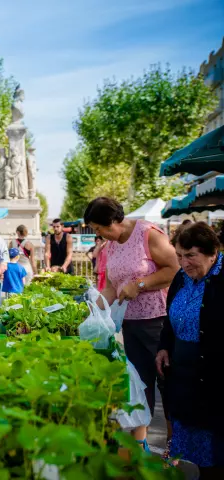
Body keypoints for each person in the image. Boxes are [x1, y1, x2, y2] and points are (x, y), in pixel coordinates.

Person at [84, 197, 178, 452]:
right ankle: (140, 445)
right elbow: (113, 286)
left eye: (99, 228)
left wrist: (140, 285)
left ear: (114, 220)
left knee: (166, 383)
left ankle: (174, 446)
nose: (99, 234)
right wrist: (91, 310)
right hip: (130, 324)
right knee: (140, 384)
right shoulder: (111, 245)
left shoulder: (148, 234)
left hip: (158, 321)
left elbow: (175, 269)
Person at [156, 223, 223, 477]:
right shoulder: (181, 278)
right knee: (192, 454)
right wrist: (164, 347)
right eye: (180, 256)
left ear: (212, 253)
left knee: (215, 454)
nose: (184, 263)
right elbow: (170, 319)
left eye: (191, 255)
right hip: (184, 381)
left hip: (214, 383)